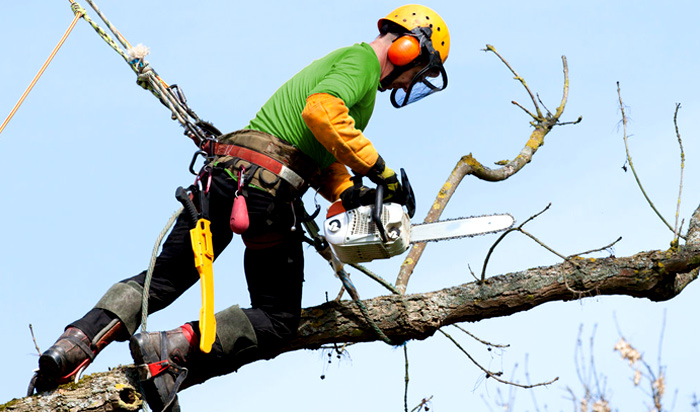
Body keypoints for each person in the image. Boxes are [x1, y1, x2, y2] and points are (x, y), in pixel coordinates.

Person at [30, 5, 450, 411]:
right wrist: (382, 174)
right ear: (409, 48)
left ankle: (72, 345)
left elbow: (321, 151)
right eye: (420, 70)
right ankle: (173, 346)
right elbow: (321, 113)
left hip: (225, 178)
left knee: (165, 276)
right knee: (277, 318)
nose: (408, 82)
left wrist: (347, 193)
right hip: (265, 194)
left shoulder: (344, 66)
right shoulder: (360, 62)